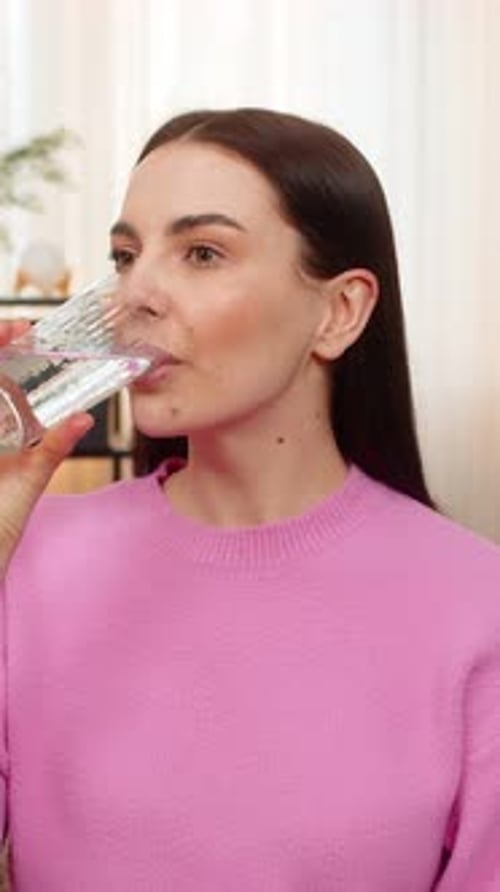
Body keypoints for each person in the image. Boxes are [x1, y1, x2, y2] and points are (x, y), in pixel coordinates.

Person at [0, 108, 498, 891]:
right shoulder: (28, 560)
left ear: (339, 312)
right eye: (126, 256)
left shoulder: (476, 603)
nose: (138, 293)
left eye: (202, 252)